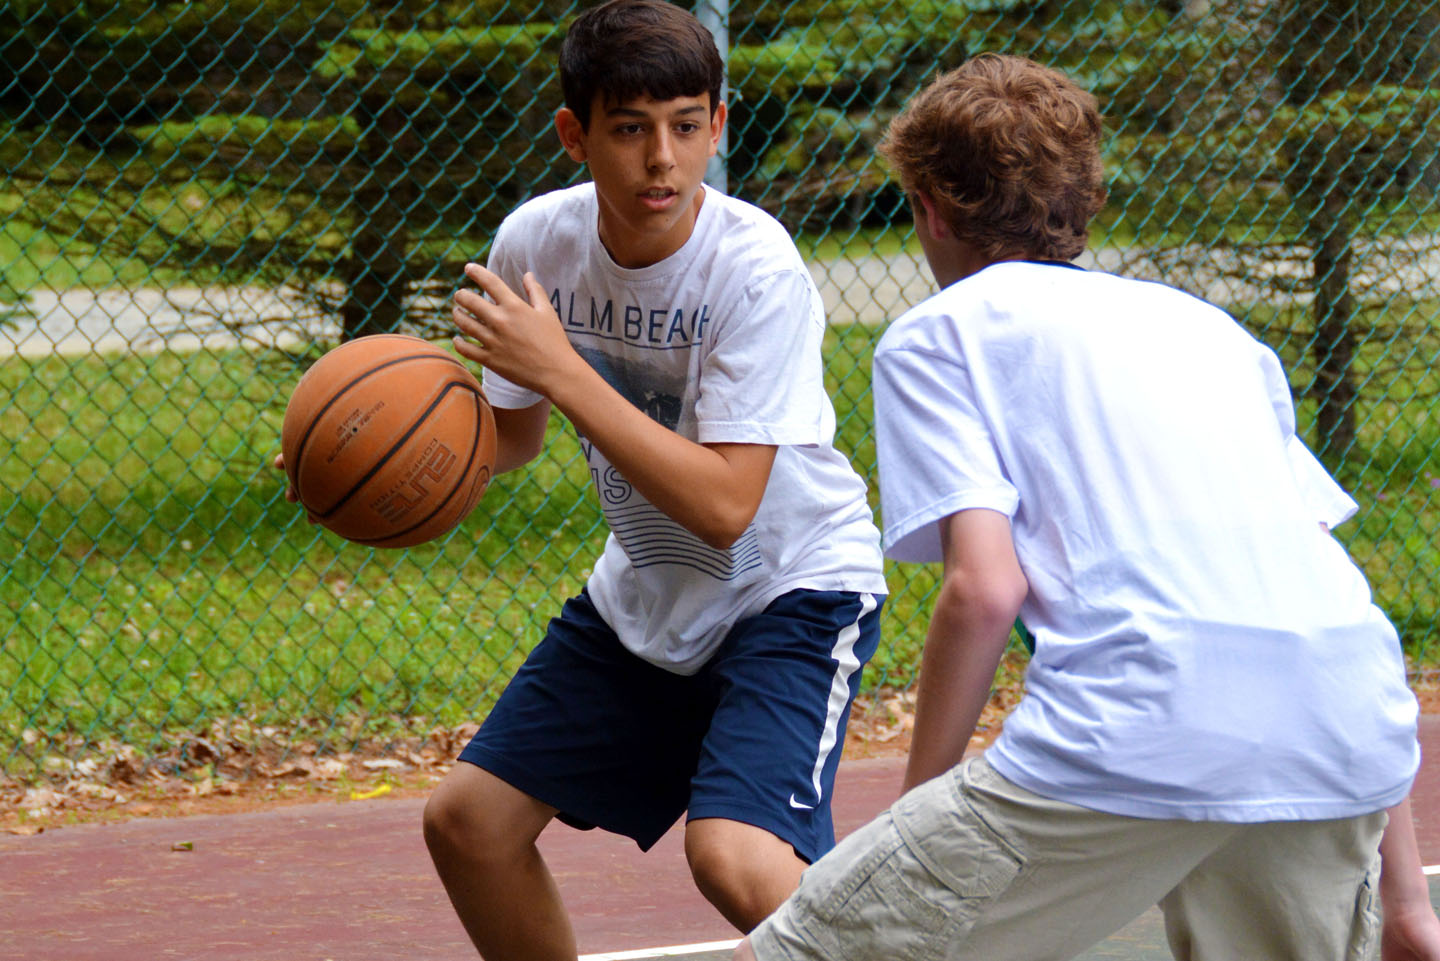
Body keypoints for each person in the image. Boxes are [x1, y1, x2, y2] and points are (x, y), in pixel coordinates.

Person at [738, 54, 1440, 961]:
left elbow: (985, 590)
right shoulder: (1214, 334)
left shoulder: (938, 334)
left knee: (798, 953)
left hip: (1141, 719)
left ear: (930, 210)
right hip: (1348, 724)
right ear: (1083, 200)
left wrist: (916, 817)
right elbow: (1320, 595)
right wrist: (1408, 905)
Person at [419, 2, 888, 958]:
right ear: (575, 134)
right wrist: (389, 468)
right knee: (467, 825)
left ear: (719, 126)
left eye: (685, 126)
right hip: (649, 594)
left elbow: (725, 506)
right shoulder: (537, 244)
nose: (661, 159)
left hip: (791, 587)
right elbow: (507, 438)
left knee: (735, 858)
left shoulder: (754, 267)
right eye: (629, 130)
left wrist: (562, 373)